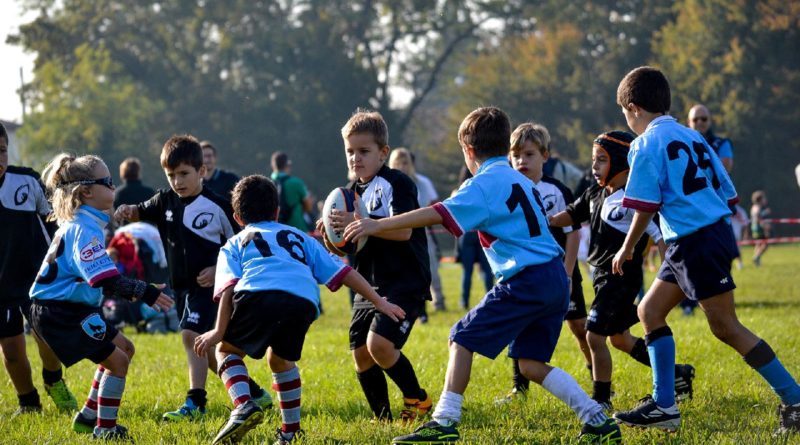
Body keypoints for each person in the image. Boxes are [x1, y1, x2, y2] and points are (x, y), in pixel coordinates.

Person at [345, 107, 622, 444]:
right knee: (531, 364)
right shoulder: (520, 179)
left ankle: (444, 422)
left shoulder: (482, 184)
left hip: (526, 278)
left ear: (469, 151)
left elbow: (436, 214)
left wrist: (377, 224)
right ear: (505, 147)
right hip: (553, 278)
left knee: (460, 338)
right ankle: (596, 418)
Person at [611, 66, 800, 434]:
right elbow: (729, 194)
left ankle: (795, 399)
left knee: (726, 328)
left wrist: (628, 246)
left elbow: (645, 204)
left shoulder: (645, 144)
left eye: (624, 114)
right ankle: (664, 405)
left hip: (693, 239)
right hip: (703, 234)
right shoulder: (694, 137)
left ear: (633, 108)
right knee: (649, 310)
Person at [193, 175, 405, 445]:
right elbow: (344, 271)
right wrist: (379, 301)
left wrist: (218, 331)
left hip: (257, 295)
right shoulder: (300, 236)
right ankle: (290, 432)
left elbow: (229, 288)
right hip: (302, 301)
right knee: (280, 360)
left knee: (226, 351)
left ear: (237, 217)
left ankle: (244, 404)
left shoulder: (235, 243)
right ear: (277, 212)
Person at [115, 135, 270, 421]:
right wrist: (127, 211)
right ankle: (253, 391)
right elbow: (140, 210)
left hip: (212, 288)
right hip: (182, 288)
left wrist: (217, 270)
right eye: (171, 175)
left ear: (202, 172)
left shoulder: (219, 206)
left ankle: (195, 403)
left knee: (191, 335)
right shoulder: (164, 201)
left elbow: (240, 246)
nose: (178, 181)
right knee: (204, 347)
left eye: (184, 174)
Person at [29, 153, 173, 439]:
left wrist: (137, 288)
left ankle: (88, 417)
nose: (113, 187)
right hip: (60, 312)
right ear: (86, 191)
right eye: (108, 182)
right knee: (117, 362)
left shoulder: (85, 224)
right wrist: (143, 292)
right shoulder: (84, 230)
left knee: (125, 349)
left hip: (71, 309)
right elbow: (105, 278)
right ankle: (105, 430)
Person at [553, 130, 695, 410]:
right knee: (619, 339)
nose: (594, 167)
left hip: (621, 277)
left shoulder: (635, 198)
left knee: (594, 335)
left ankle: (601, 400)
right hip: (600, 276)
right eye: (593, 160)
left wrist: (671, 271)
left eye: (601, 160)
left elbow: (659, 234)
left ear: (621, 161)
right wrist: (541, 218)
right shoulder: (594, 192)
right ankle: (678, 373)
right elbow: (568, 215)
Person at [322, 109, 433, 423]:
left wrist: (363, 222)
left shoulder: (398, 182)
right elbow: (345, 246)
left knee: (379, 345)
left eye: (364, 151)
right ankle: (382, 419)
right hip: (369, 283)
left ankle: (418, 399)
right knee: (360, 354)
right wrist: (332, 234)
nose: (356, 159)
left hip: (404, 280)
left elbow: (405, 230)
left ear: (383, 153)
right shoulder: (349, 192)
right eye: (350, 152)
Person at [499, 122, 592, 404]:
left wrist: (568, 271)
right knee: (519, 324)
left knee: (578, 326)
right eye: (516, 155)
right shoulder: (507, 189)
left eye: (529, 155)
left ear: (545, 156)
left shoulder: (556, 190)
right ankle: (519, 389)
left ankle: (598, 375)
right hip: (523, 273)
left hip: (559, 272)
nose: (521, 161)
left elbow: (572, 232)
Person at [0, 123, 78, 417]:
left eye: (2, 151)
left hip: (37, 278)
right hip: (2, 287)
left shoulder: (26, 181)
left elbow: (56, 222)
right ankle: (28, 402)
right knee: (10, 348)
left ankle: (53, 380)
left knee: (45, 335)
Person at [388, 148, 446, 312]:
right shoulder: (386, 184)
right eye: (398, 163)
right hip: (397, 234)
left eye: (405, 162)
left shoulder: (422, 182)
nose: (402, 166)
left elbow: (435, 203)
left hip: (422, 233)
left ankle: (439, 300)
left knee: (431, 269)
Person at [453, 166, 493, 310]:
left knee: (467, 271)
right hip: (482, 232)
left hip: (466, 234)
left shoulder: (458, 192)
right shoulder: (482, 189)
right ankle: (491, 297)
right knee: (487, 269)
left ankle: (464, 301)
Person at [270, 152, 314, 232]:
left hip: (276, 231)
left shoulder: (267, 184)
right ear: (288, 165)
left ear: (273, 166)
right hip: (298, 230)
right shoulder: (296, 183)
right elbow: (308, 207)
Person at [688, 104, 733, 173]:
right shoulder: (681, 144)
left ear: (710, 120)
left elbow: (724, 171)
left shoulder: (722, 144)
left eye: (704, 119)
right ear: (689, 122)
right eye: (695, 119)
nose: (699, 122)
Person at [750, 190, 771, 266]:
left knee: (758, 244)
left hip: (754, 228)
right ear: (760, 199)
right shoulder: (758, 207)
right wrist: (765, 226)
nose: (765, 200)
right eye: (764, 198)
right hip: (759, 228)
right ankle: (756, 257)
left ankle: (756, 260)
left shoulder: (754, 207)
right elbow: (758, 217)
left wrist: (764, 212)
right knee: (765, 244)